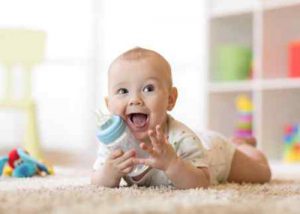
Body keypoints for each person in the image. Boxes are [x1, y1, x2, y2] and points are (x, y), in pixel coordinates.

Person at [91, 47, 271, 189]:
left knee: (262, 174)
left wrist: (172, 164)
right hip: (202, 140)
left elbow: (201, 182)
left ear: (170, 99)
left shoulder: (182, 138)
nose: (135, 100)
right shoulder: (114, 143)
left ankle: (242, 146)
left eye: (148, 89)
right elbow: (97, 179)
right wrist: (108, 173)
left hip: (216, 153)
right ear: (108, 104)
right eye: (122, 91)